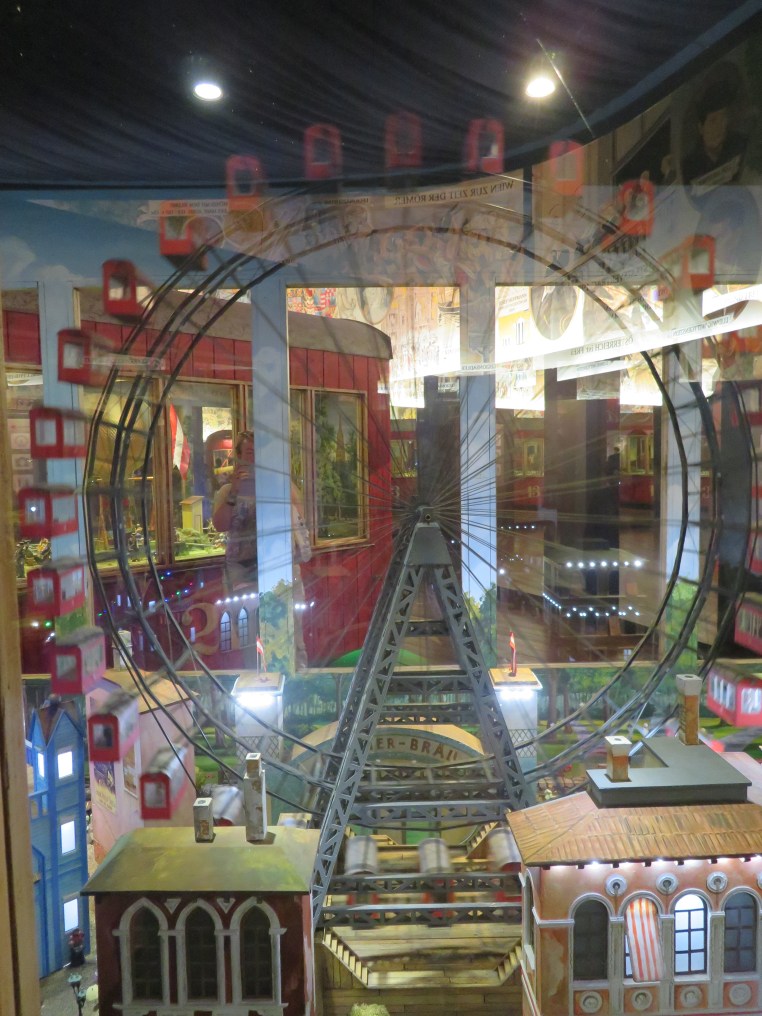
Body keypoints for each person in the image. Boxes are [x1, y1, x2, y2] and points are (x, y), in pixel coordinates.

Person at [212, 430, 258, 592]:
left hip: (269, 562)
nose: (255, 458)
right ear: (239, 456)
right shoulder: (227, 491)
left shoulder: (275, 487)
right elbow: (220, 526)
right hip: (238, 567)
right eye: (250, 453)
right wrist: (234, 492)